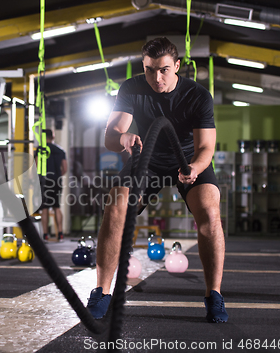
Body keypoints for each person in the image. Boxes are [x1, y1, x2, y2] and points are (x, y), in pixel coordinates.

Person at [86, 37, 228, 323]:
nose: (156, 77)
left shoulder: (198, 95)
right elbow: (110, 137)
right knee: (115, 208)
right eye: (150, 69)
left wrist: (195, 168)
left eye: (163, 70)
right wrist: (122, 137)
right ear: (143, 66)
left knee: (210, 213)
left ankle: (214, 295)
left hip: (189, 160)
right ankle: (101, 292)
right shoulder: (131, 87)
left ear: (177, 66)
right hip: (146, 158)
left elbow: (206, 148)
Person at [39, 129, 67, 242]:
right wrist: (57, 175)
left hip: (44, 181)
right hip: (56, 180)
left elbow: (36, 166)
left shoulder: (41, 150)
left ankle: (45, 235)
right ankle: (60, 234)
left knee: (44, 208)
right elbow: (64, 168)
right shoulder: (60, 151)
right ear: (53, 137)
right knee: (57, 207)